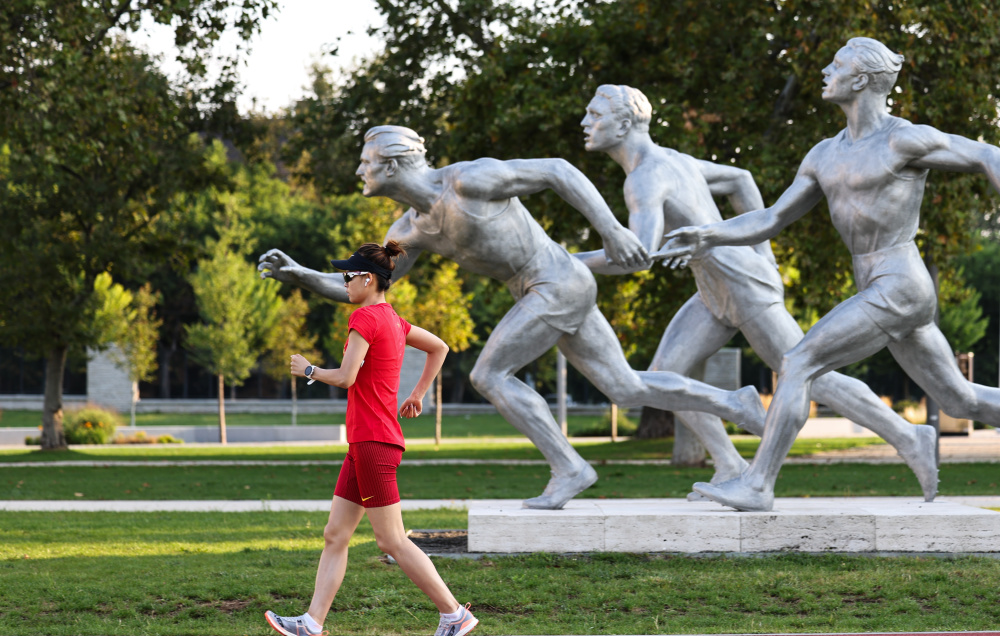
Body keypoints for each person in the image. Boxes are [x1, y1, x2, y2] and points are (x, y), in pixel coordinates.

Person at [258, 125, 767, 510]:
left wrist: (612, 231)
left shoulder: (470, 179)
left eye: (365, 162)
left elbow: (559, 171)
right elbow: (361, 288)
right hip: (545, 289)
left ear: (392, 164)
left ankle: (569, 467)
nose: (359, 171)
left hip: (554, 281)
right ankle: (733, 401)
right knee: (627, 388)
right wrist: (300, 274)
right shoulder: (409, 229)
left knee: (489, 373)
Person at [660, 37, 1000, 511]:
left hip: (899, 282)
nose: (824, 70)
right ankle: (917, 440)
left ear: (861, 80)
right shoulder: (823, 154)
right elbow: (772, 218)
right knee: (962, 400)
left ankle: (757, 484)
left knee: (799, 361)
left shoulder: (903, 139)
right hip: (877, 284)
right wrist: (709, 235)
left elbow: (988, 154)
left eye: (836, 64)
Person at [576, 83, 936, 501]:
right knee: (664, 376)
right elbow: (739, 179)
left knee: (810, 376)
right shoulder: (673, 161)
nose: (585, 123)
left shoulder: (645, 178)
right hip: (713, 288)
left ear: (623, 125)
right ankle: (729, 462)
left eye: (594, 115)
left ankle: (909, 436)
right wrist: (763, 250)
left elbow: (637, 255)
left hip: (744, 285)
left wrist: (567, 262)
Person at [264, 241, 478, 636]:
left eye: (348, 276)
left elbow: (346, 377)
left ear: (368, 279)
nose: (343, 282)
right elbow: (440, 347)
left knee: (391, 541)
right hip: (365, 441)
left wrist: (308, 369)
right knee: (336, 533)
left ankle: (454, 614)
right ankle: (311, 624)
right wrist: (417, 394)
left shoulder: (365, 317)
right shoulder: (394, 321)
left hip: (374, 442)